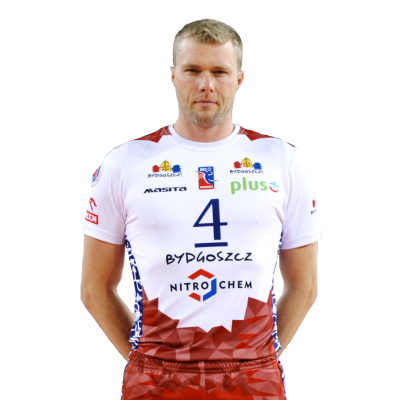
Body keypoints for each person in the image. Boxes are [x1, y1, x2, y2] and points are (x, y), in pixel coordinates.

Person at [81, 18, 322, 400]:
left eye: (219, 72)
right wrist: (147, 360)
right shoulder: (125, 163)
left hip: (253, 376)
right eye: (193, 70)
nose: (206, 84)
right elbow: (95, 289)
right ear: (173, 76)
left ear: (239, 79)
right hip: (155, 376)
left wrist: (259, 357)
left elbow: (304, 285)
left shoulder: (281, 160)